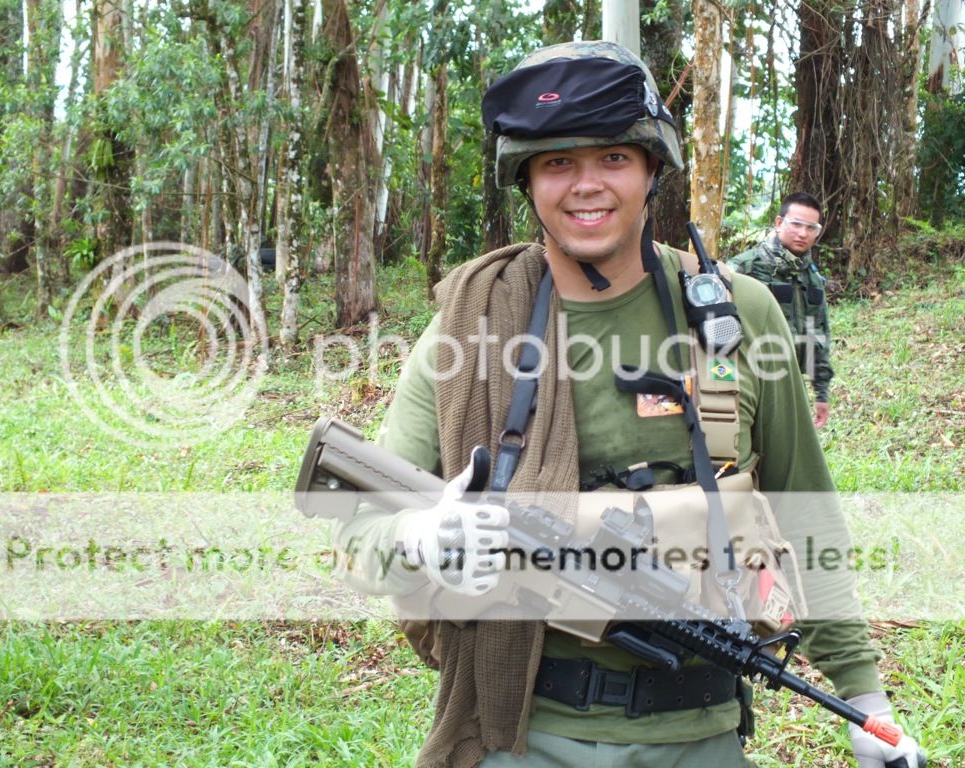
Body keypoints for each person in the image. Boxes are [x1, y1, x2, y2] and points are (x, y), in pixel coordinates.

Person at [334, 42, 919, 768]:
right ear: (527, 182)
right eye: (557, 164)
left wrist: (865, 700)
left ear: (651, 170)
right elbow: (362, 531)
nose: (587, 186)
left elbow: (806, 512)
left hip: (701, 733)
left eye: (613, 158)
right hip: (521, 730)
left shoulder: (741, 314)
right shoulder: (473, 323)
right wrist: (424, 539)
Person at [728, 193, 834, 428]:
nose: (803, 233)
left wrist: (821, 392)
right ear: (779, 223)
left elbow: (818, 336)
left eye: (811, 227)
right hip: (744, 384)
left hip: (788, 387)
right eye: (795, 224)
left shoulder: (812, 278)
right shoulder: (741, 268)